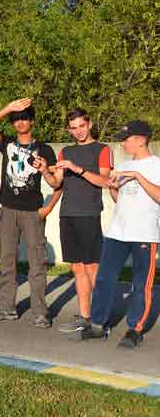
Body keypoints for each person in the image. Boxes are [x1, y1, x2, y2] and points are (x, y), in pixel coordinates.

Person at [78, 120, 160, 349]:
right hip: (117, 232)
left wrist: (137, 176)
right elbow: (119, 200)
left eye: (126, 139)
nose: (122, 143)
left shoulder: (156, 165)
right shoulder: (123, 165)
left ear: (142, 139)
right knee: (104, 278)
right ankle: (97, 324)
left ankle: (135, 329)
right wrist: (113, 187)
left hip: (145, 234)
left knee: (141, 283)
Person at [0, 99, 60, 327]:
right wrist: (8, 108)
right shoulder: (6, 144)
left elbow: (57, 183)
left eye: (24, 117)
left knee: (37, 263)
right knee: (7, 261)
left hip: (32, 212)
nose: (20, 122)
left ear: (32, 121)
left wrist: (50, 206)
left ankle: (40, 312)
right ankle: (6, 307)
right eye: (16, 118)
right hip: (8, 210)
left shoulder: (45, 150)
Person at [50, 109, 112, 333]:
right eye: (73, 128)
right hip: (67, 215)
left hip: (89, 215)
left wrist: (79, 169)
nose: (78, 131)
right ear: (69, 129)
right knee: (77, 268)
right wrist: (43, 171)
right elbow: (56, 183)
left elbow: (105, 181)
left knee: (93, 268)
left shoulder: (103, 149)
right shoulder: (65, 151)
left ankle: (100, 320)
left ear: (89, 123)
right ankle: (85, 317)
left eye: (81, 126)